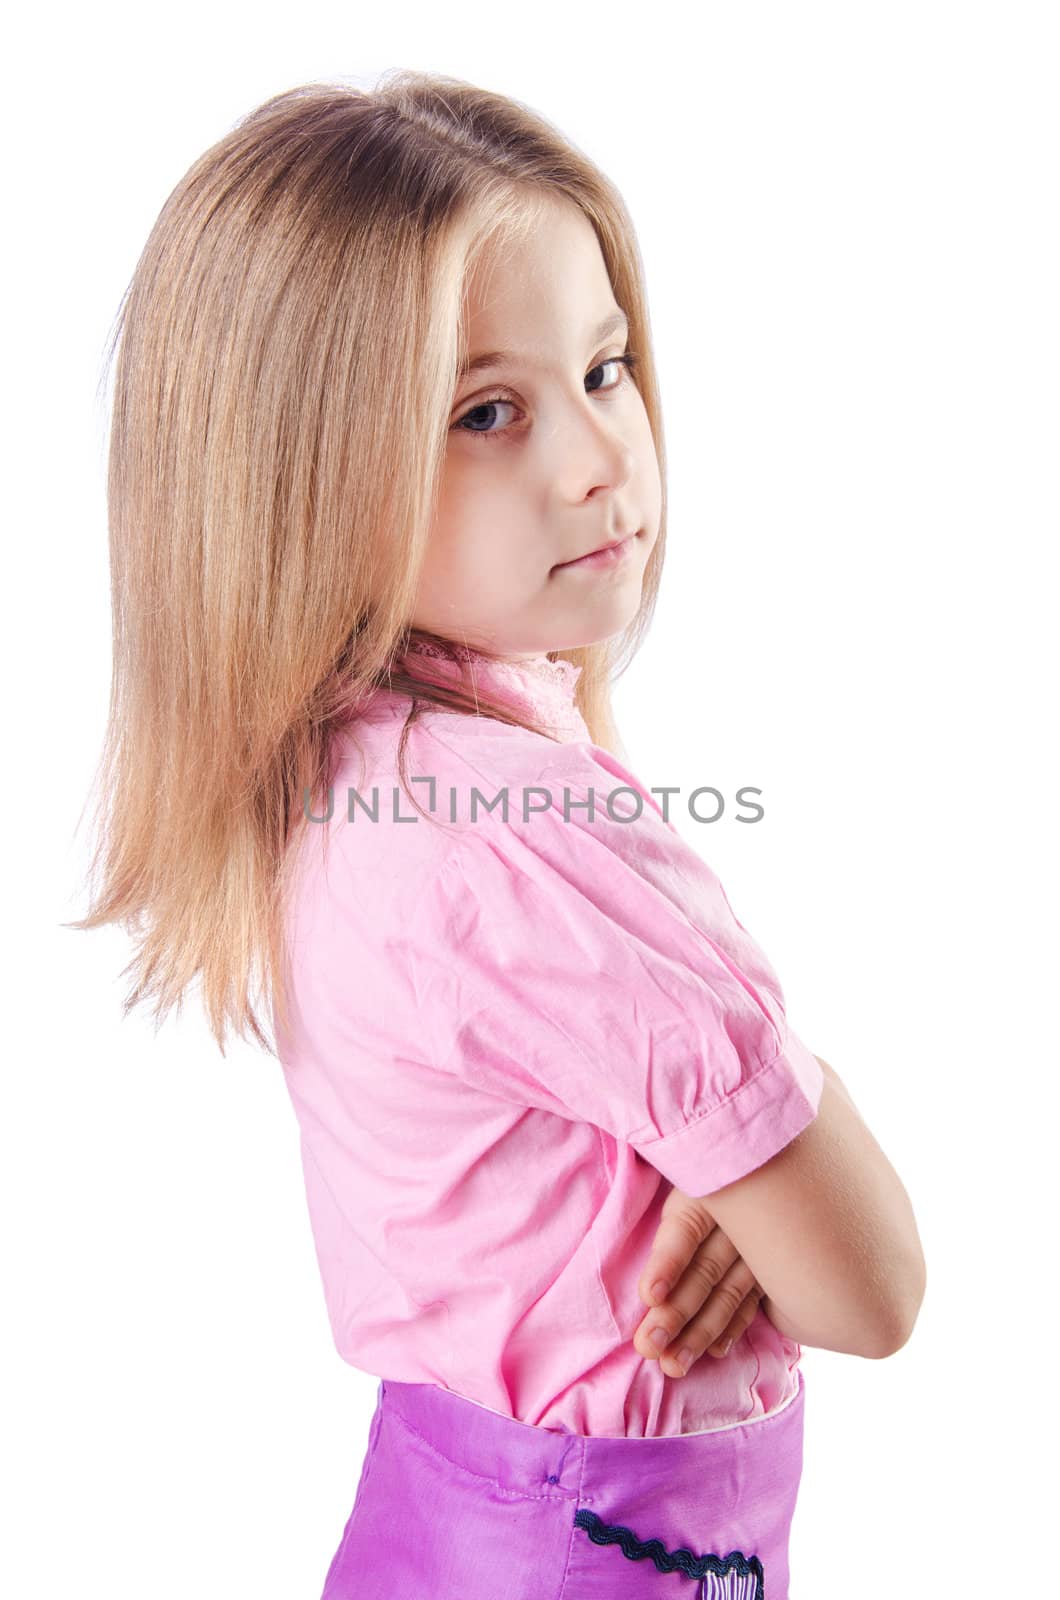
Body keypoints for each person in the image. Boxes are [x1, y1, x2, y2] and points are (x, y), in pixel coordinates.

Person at [73, 69, 926, 1599]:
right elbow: (869, 1286)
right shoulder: (516, 830)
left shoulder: (351, 775)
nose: (601, 458)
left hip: (441, 1511)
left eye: (607, 370)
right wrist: (781, 1135)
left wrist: (735, 1170)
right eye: (486, 412)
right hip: (597, 1547)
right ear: (301, 482)